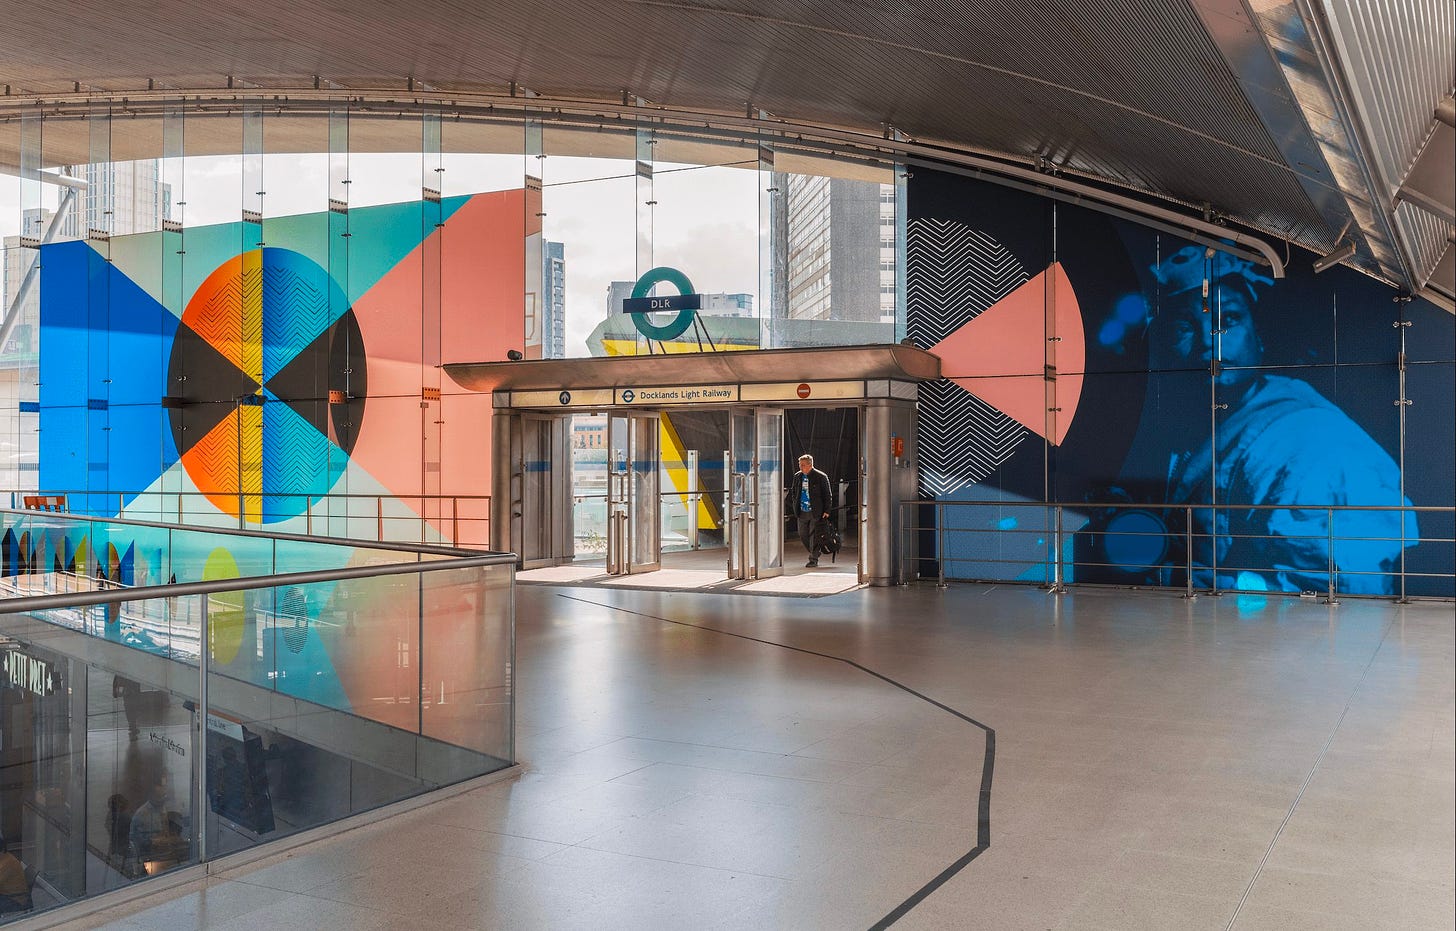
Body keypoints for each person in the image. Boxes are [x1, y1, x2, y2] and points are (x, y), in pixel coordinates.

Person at [1146, 246, 1415, 594]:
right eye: (1184, 327)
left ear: (1260, 334)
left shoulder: (1307, 441)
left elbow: (1342, 589)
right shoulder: (1198, 424)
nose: (1207, 342)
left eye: (1227, 321)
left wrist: (1195, 581)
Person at [786, 454, 834, 568]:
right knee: (802, 534)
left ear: (810, 465)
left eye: (803, 465)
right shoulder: (797, 476)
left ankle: (813, 558)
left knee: (814, 535)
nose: (800, 467)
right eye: (799, 465)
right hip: (802, 510)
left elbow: (827, 495)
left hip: (816, 511)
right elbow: (794, 492)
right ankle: (815, 551)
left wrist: (827, 510)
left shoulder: (821, 476)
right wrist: (794, 504)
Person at [128, 773, 171, 869]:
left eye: (166, 786)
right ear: (155, 788)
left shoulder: (165, 808)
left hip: (166, 853)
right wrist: (155, 841)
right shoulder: (142, 814)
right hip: (152, 858)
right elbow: (136, 841)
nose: (165, 789)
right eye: (162, 786)